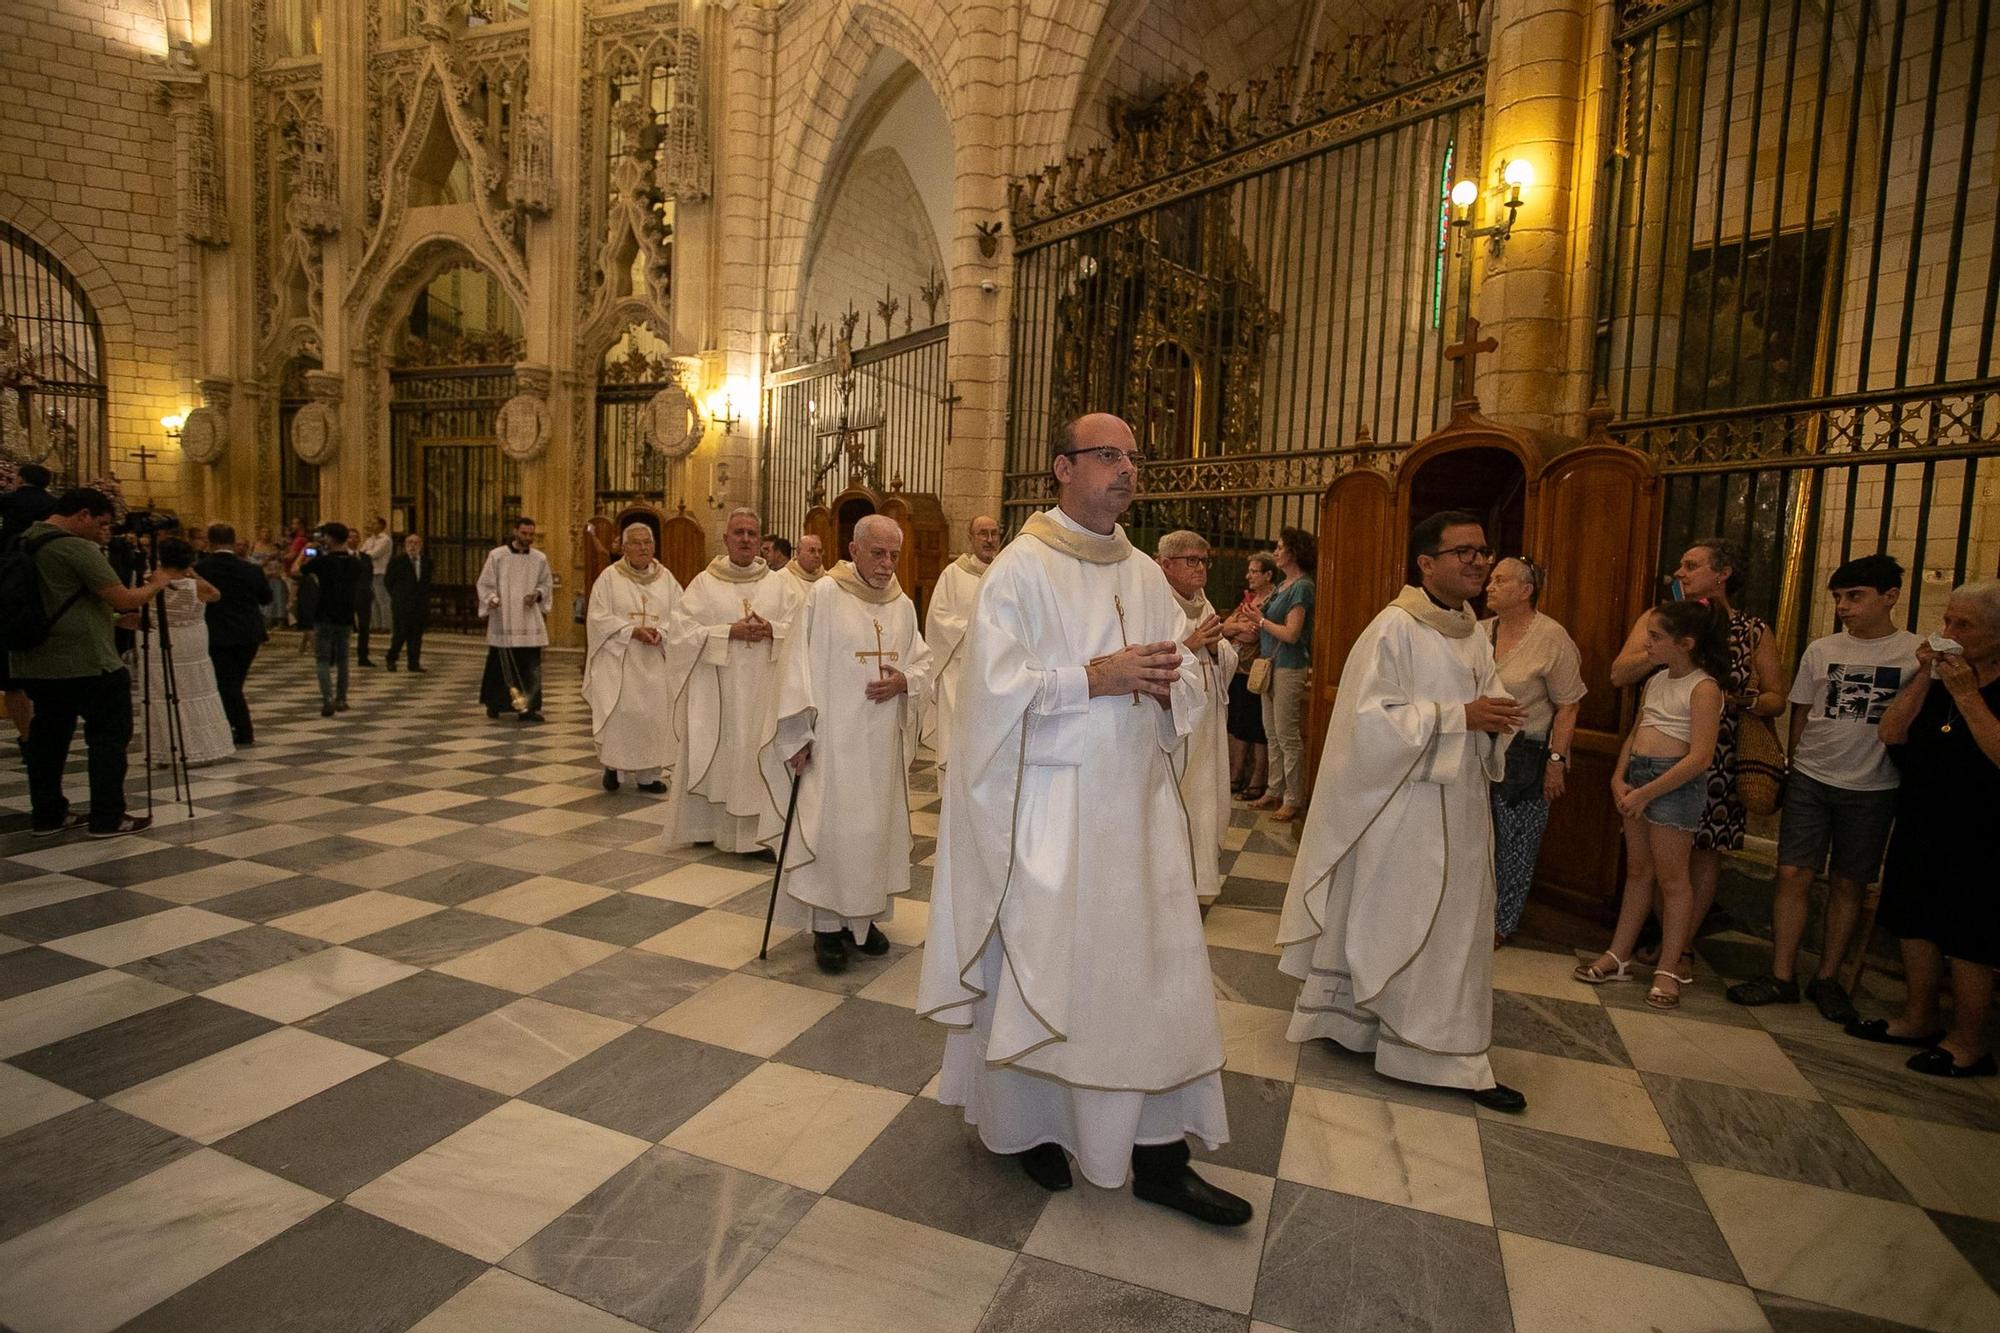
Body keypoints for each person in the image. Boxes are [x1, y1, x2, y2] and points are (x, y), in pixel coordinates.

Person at [918, 413, 1250, 1227]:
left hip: (1136, 818)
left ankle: (1161, 1153)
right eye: (1109, 455)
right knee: (1050, 977)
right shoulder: (1020, 570)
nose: (1127, 469)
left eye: (1134, 456)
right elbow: (991, 696)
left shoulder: (1141, 571)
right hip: (1052, 817)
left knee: (1154, 980)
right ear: (1063, 467)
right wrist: (1091, 678)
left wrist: (1187, 669)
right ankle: (1024, 1125)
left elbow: (1177, 683)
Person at [1277, 511, 1528, 1111]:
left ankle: (1437, 1043)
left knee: (1455, 923)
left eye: (1482, 550)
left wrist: (1495, 718)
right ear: (1426, 563)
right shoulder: (1393, 629)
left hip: (1461, 799)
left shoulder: (1470, 628)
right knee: (1408, 916)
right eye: (1462, 551)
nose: (1477, 561)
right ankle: (1420, 1045)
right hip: (1402, 806)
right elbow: (1367, 723)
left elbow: (1490, 699)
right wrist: (1458, 717)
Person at [1727, 556, 1919, 1022]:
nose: (1844, 607)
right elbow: (1800, 712)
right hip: (1813, 776)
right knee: (1793, 873)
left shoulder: (1913, 654)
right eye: (1838, 598)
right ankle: (1781, 974)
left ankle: (1828, 977)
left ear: (1889, 597)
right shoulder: (1822, 649)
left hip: (1873, 783)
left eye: (1855, 596)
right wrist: (1793, 765)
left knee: (1849, 884)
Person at [761, 515, 934, 973]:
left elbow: (923, 661)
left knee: (873, 834)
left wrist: (905, 681)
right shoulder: (824, 595)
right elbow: (795, 666)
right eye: (877, 553)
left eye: (894, 554)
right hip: (834, 744)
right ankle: (827, 928)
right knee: (832, 832)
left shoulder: (900, 604)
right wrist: (798, 734)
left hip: (880, 749)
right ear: (853, 550)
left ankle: (864, 921)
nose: (886, 564)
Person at [1610, 539, 1783, 975]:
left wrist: (1746, 700)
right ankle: (1664, 941)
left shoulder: (1753, 629)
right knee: (1653, 856)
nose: (1679, 574)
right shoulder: (1663, 622)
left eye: (1691, 566)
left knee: (1704, 852)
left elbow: (1777, 698)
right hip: (1662, 750)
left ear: (1722, 573)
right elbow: (1619, 672)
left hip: (1718, 754)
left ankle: (1680, 949)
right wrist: (1668, 651)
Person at [1850, 579, 2000, 1079]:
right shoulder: (1940, 680)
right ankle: (1919, 1017)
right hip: (1921, 817)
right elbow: (1891, 732)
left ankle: (1969, 1042)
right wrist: (1924, 677)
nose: (1949, 631)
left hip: (1981, 832)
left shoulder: (1983, 685)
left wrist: (1968, 696)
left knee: (1967, 935)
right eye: (1948, 621)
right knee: (1913, 919)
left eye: (1964, 625)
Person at [1574, 601, 1729, 1010]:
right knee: (1638, 872)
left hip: (1673, 785)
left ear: (1686, 643)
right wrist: (1619, 775)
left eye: (1656, 637)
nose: (1647, 643)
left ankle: (1669, 966)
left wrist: (1648, 792)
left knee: (1673, 880)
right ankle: (1618, 953)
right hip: (1640, 776)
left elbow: (1700, 757)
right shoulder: (1656, 680)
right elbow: (1638, 730)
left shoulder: (1704, 687)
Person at [7, 488, 173, 837]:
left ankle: (48, 814)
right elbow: (124, 596)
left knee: (48, 739)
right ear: (82, 515)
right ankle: (108, 816)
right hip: (87, 661)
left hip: (34, 659)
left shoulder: (22, 540)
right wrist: (157, 584)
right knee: (109, 737)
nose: (104, 532)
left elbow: (54, 601)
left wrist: (111, 620)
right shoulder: (75, 547)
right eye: (101, 523)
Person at [660, 508, 805, 854]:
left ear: (761, 541)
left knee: (760, 754)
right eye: (738, 533)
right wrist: (729, 632)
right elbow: (680, 634)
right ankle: (708, 828)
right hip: (717, 693)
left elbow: (801, 629)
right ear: (725, 539)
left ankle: (761, 837)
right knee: (722, 754)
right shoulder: (704, 583)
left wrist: (772, 629)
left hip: (764, 692)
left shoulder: (779, 585)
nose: (744, 539)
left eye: (751, 534)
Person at [1484, 556, 1587, 942]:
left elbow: (1569, 704)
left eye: (1500, 580)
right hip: (1480, 745)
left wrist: (1556, 763)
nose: (1489, 586)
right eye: (1490, 579)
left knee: (1515, 843)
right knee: (1479, 836)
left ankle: (1501, 923)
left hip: (1526, 751)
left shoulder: (1551, 637)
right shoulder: (1479, 631)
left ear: (1526, 591)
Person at [1158, 529, 1237, 907]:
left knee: (1207, 798)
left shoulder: (1202, 604)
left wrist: (1221, 647)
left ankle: (1202, 878)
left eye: (1204, 561)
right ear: (1166, 564)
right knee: (1178, 796)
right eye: (1192, 561)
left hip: (1208, 722)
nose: (1201, 568)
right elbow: (1146, 653)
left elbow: (1222, 656)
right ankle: (1170, 879)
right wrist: (1192, 644)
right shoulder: (1154, 600)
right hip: (1174, 721)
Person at [584, 523, 686, 793]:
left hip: (655, 661)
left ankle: (648, 775)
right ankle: (613, 768)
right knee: (622, 714)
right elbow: (597, 618)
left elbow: (682, 616)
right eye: (636, 543)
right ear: (624, 547)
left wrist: (662, 632)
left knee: (654, 717)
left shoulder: (667, 580)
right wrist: (631, 631)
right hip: (621, 660)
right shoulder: (609, 578)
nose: (643, 548)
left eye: (647, 543)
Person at [133, 537, 233, 767]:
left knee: (159, 691)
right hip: (189, 641)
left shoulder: (148, 581)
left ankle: (162, 750)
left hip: (156, 638)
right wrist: (193, 574)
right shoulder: (195, 584)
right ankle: (197, 748)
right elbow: (216, 595)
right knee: (193, 689)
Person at [1238, 526, 1315, 820]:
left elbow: (1293, 633)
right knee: (1271, 732)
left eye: (1281, 547)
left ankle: (1293, 797)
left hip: (1289, 666)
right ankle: (1274, 789)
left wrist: (1260, 621)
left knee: (1287, 734)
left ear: (1294, 551)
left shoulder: (1302, 587)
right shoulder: (1283, 585)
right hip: (1270, 664)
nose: (1276, 552)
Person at [922, 514, 1001, 765]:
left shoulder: (1005, 572)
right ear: (970, 539)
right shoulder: (953, 574)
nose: (989, 540)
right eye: (982, 534)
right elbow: (938, 618)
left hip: (996, 672)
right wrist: (976, 631)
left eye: (994, 533)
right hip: (957, 673)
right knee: (956, 749)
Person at [194, 524, 272, 747]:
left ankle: (242, 730)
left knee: (226, 684)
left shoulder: (200, 569)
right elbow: (266, 598)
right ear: (232, 540)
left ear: (210, 542)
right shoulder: (251, 569)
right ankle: (233, 727)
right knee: (232, 682)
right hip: (249, 634)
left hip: (217, 633)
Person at [1, 463, 58, 743]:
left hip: (12, 584)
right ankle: (49, 733)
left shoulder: (10, 501)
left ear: (20, 478)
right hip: (51, 584)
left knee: (13, 680)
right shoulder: (54, 504)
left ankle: (27, 736)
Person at [477, 517, 553, 723]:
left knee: (529, 667)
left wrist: (537, 594)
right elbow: (485, 583)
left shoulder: (539, 558)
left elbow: (546, 584)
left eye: (531, 534)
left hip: (528, 619)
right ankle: (495, 704)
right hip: (505, 617)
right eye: (524, 533)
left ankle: (528, 709)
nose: (528, 538)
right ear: (515, 531)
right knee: (499, 665)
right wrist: (492, 599)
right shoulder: (497, 556)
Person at [300, 523, 365, 719]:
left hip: (325, 613)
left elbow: (298, 570)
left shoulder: (323, 561)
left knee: (322, 659)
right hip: (346, 614)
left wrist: (309, 552)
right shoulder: (356, 563)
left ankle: (327, 698)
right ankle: (342, 698)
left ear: (328, 538)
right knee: (343, 659)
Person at [1226, 555, 1274, 800]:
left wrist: (1239, 628)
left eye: (1255, 571)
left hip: (1256, 670)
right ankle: (1236, 775)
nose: (1250, 576)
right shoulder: (1249, 600)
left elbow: (1253, 635)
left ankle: (1257, 780)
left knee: (1256, 729)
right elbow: (1226, 626)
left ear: (1268, 575)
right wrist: (1237, 627)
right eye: (1250, 571)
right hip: (1237, 669)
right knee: (1237, 726)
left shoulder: (1271, 600)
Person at [383, 533, 431, 671]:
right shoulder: (397, 561)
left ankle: (413, 663)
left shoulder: (426, 562)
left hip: (419, 605)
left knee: (416, 635)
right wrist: (398, 596)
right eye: (410, 543)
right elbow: (388, 581)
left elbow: (426, 583)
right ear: (405, 545)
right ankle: (391, 658)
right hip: (402, 605)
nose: (413, 546)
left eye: (416, 543)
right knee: (400, 634)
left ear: (421, 545)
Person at [355, 516, 392, 667]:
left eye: (375, 523)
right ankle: (375, 625)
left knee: (382, 599)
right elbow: (362, 551)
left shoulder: (385, 539)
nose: (371, 525)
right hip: (368, 572)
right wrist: (364, 553)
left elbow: (373, 554)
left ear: (382, 525)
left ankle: (386, 625)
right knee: (373, 599)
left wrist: (364, 553)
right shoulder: (370, 539)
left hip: (380, 570)